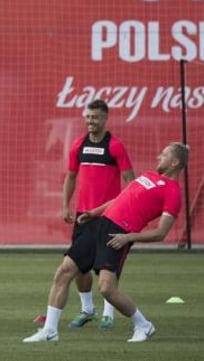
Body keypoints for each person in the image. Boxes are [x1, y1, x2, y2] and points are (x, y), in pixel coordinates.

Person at [24, 142, 188, 344]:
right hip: (98, 225)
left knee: (106, 289)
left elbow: (161, 233)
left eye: (163, 155)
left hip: (118, 234)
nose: (158, 157)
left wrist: (128, 238)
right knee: (64, 271)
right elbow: (121, 198)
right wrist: (93, 213)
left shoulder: (173, 192)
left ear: (175, 162)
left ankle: (144, 325)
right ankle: (49, 331)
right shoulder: (147, 175)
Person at [62, 99, 134, 330]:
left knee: (107, 267)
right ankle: (87, 309)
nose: (90, 121)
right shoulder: (78, 145)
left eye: (94, 117)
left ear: (105, 119)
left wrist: (125, 210)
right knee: (78, 267)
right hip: (84, 217)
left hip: (109, 217)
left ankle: (108, 313)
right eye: (88, 117)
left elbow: (130, 183)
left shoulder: (115, 146)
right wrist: (66, 206)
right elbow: (71, 177)